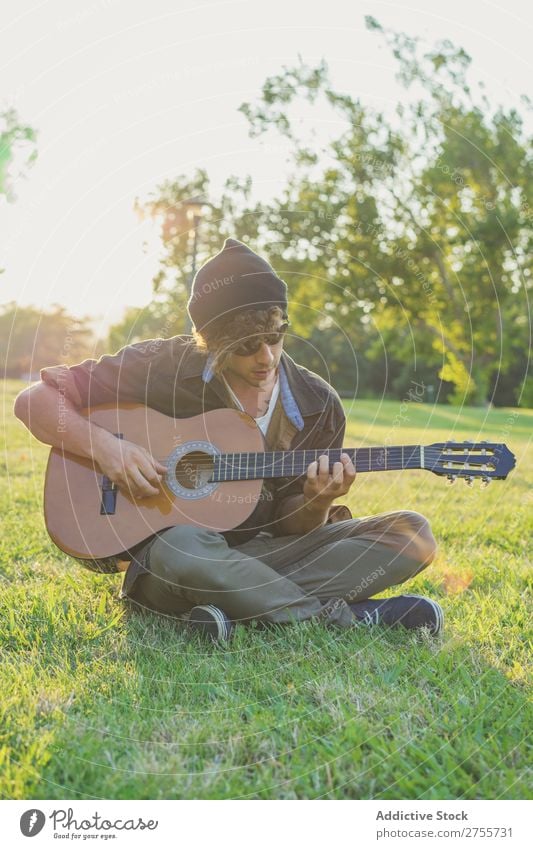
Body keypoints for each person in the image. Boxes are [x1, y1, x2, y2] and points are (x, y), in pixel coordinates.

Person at [14, 238, 441, 642]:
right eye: (246, 346)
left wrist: (317, 500)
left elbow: (295, 527)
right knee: (184, 549)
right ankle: (341, 619)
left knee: (411, 533)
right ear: (210, 342)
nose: (266, 357)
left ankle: (227, 606)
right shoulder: (163, 365)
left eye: (275, 337)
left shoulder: (318, 404)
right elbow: (34, 402)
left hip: (269, 554)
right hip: (181, 557)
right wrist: (109, 450)